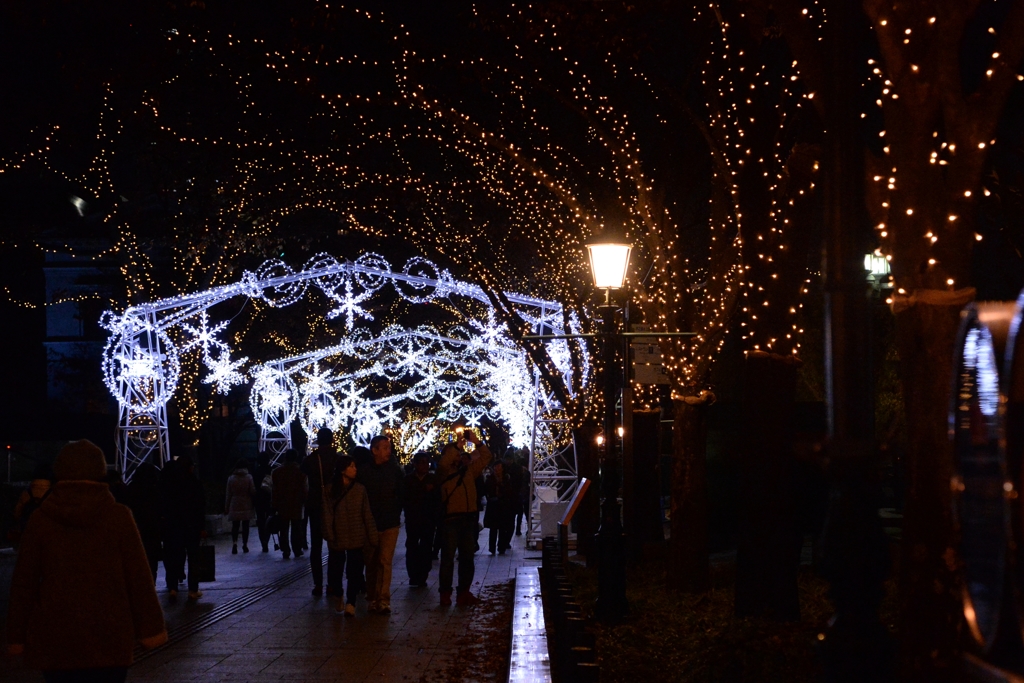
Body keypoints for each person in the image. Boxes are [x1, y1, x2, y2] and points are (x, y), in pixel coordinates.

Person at [7, 440, 167, 682]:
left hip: (56, 635)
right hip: (110, 634)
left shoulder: (41, 519)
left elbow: (24, 583)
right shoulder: (118, 517)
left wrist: (16, 635)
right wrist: (151, 629)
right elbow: (138, 578)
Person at [437, 428, 492, 606]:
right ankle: (445, 593)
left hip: (468, 519)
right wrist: (456, 446)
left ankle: (464, 592)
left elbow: (486, 457)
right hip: (451, 519)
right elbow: (444, 462)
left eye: (459, 454)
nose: (458, 456)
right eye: (454, 453)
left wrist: (477, 442)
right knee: (448, 558)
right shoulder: (444, 472)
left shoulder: (468, 471)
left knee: (467, 558)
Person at [323, 455, 378, 617]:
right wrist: (329, 534)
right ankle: (338, 593)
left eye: (355, 466)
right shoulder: (330, 490)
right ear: (342, 469)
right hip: (337, 535)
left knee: (354, 571)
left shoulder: (360, 489)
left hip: (356, 535)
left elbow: (366, 514)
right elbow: (327, 514)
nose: (355, 469)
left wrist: (372, 536)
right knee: (336, 570)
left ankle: (351, 602)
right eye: (351, 466)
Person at [359, 434, 404, 614]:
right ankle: (372, 597)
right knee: (371, 562)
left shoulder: (394, 471)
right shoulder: (364, 472)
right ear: (374, 450)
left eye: (389, 447)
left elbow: (401, 493)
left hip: (390, 522)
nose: (388, 451)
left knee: (385, 561)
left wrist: (396, 510)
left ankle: (383, 599)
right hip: (370, 524)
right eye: (384, 448)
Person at [161, 455, 207, 600]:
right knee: (193, 557)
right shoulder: (195, 483)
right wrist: (202, 526)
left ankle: (172, 587)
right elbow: (200, 506)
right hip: (192, 526)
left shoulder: (170, 484)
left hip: (174, 526)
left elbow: (165, 505)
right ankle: (193, 589)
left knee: (174, 556)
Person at [302, 428, 338, 596]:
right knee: (334, 546)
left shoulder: (310, 459)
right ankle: (332, 583)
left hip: (315, 503)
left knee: (316, 546)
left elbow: (303, 477)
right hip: (334, 503)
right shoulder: (338, 458)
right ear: (331, 440)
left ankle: (318, 584)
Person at [403, 452, 439, 586]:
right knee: (412, 546)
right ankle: (413, 575)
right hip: (413, 518)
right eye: (422, 463)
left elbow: (438, 498)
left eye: (426, 463)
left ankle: (423, 574)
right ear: (415, 464)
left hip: (428, 519)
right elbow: (405, 497)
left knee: (426, 547)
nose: (425, 466)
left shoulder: (433, 479)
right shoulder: (408, 479)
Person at [126, 461, 163, 581]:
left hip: (136, 528)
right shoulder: (155, 489)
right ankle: (151, 582)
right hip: (152, 529)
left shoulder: (131, 488)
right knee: (152, 559)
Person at [272, 449, 308, 560]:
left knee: (283, 528)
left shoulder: (277, 472)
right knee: (296, 527)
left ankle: (285, 550)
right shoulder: (300, 472)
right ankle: (297, 548)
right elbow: (304, 489)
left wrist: (274, 503)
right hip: (296, 503)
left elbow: (274, 490)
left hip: (282, 503)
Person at [9, 461, 52, 549]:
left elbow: (17, 513)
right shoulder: (53, 494)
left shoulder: (26, 494)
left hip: (28, 535)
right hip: (48, 536)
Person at [484, 460, 515, 555]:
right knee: (493, 528)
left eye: (499, 467)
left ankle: (501, 547)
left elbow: (509, 491)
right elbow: (487, 490)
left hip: (503, 505)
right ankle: (492, 547)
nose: (497, 469)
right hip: (493, 506)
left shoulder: (506, 479)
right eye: (496, 467)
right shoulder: (490, 478)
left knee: (502, 528)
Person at [225, 458, 256, 554]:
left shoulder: (231, 478)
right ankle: (245, 544)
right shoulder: (249, 477)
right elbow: (252, 491)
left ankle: (234, 543)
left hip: (234, 503)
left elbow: (228, 494)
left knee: (235, 525)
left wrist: (226, 507)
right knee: (245, 525)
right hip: (246, 503)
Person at [252, 451, 274, 552]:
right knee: (269, 520)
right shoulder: (271, 471)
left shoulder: (256, 472)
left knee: (260, 520)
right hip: (269, 498)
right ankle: (267, 538)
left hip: (259, 499)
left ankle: (263, 541)